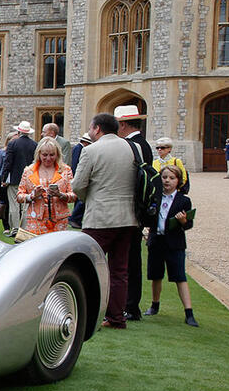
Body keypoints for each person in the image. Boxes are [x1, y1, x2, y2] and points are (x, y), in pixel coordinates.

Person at [72, 112, 139, 329]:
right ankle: (117, 317)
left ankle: (89, 314)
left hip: (99, 218)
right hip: (128, 217)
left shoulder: (90, 150)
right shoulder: (133, 148)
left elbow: (77, 185)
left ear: (97, 129)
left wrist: (89, 199)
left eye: (91, 128)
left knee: (89, 267)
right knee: (119, 271)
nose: (90, 132)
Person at [143, 165, 197, 326]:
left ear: (178, 181)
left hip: (175, 243)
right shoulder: (155, 196)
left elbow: (188, 225)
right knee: (156, 275)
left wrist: (183, 221)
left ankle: (189, 312)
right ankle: (155, 304)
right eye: (165, 177)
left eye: (172, 178)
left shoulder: (183, 201)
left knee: (179, 276)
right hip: (156, 240)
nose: (167, 181)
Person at [115, 104, 152, 322]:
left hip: (131, 210)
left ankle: (130, 305)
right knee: (130, 259)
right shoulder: (142, 144)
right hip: (135, 211)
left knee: (130, 261)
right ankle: (129, 304)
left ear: (123, 125)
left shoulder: (133, 145)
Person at [16, 137, 76, 235]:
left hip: (59, 220)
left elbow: (73, 196)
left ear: (57, 154)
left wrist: (60, 195)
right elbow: (19, 196)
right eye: (44, 155)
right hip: (35, 220)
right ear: (38, 154)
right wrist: (32, 195)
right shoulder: (29, 171)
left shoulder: (66, 170)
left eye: (52, 155)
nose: (48, 158)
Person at [2, 121, 37, 237]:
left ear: (19, 131)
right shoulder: (34, 145)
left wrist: (3, 177)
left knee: (14, 204)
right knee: (26, 204)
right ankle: (24, 228)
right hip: (29, 180)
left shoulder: (13, 144)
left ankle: (16, 228)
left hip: (15, 179)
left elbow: (8, 162)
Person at [67, 132, 93, 228]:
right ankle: (74, 218)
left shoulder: (80, 148)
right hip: (78, 176)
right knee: (80, 200)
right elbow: (75, 164)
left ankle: (75, 218)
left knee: (80, 200)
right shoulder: (79, 149)